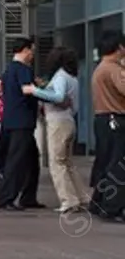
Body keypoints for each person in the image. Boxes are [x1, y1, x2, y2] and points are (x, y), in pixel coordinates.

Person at [22, 47, 86, 213]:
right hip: (69, 121)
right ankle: (81, 197)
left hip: (57, 122)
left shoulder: (60, 76)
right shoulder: (72, 78)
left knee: (57, 162)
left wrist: (34, 90)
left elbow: (58, 97)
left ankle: (68, 200)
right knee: (68, 162)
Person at [0, 37, 45, 211]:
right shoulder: (23, 69)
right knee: (16, 161)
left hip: (13, 120)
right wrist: (41, 91)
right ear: (24, 50)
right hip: (22, 121)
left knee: (31, 161)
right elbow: (26, 90)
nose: (32, 55)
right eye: (31, 51)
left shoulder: (8, 70)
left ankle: (28, 197)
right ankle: (4, 198)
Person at [86, 31, 125, 223]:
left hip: (102, 119)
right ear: (119, 47)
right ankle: (113, 207)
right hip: (116, 119)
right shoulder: (114, 69)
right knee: (118, 165)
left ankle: (99, 202)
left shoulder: (100, 68)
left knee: (105, 162)